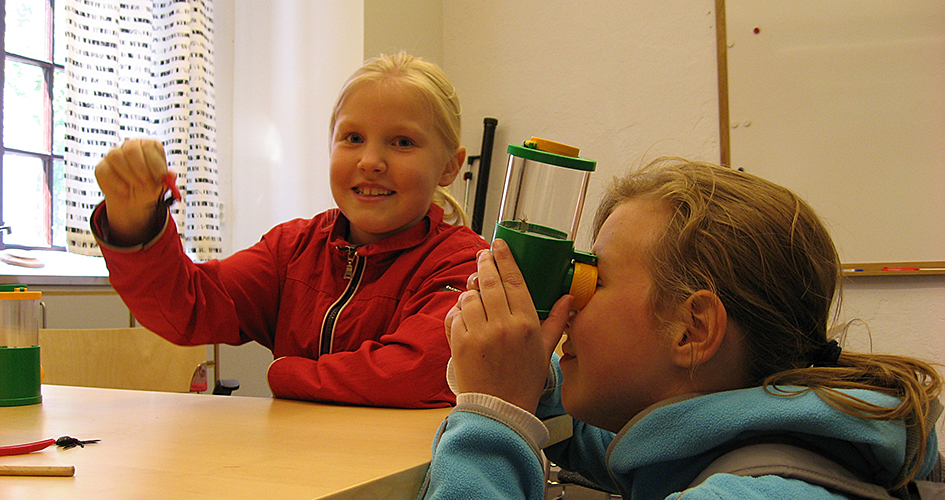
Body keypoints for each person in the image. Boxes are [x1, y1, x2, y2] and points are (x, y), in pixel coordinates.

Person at [418, 157, 943, 498]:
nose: (569, 303)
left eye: (593, 282)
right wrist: (523, 372)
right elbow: (597, 433)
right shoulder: (766, 431)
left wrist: (492, 418)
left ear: (692, 330)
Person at [91, 53, 489, 408]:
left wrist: (284, 374)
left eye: (402, 142)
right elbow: (187, 308)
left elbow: (413, 372)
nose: (370, 161)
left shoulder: (465, 265)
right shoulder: (292, 249)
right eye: (353, 138)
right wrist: (134, 220)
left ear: (450, 167)